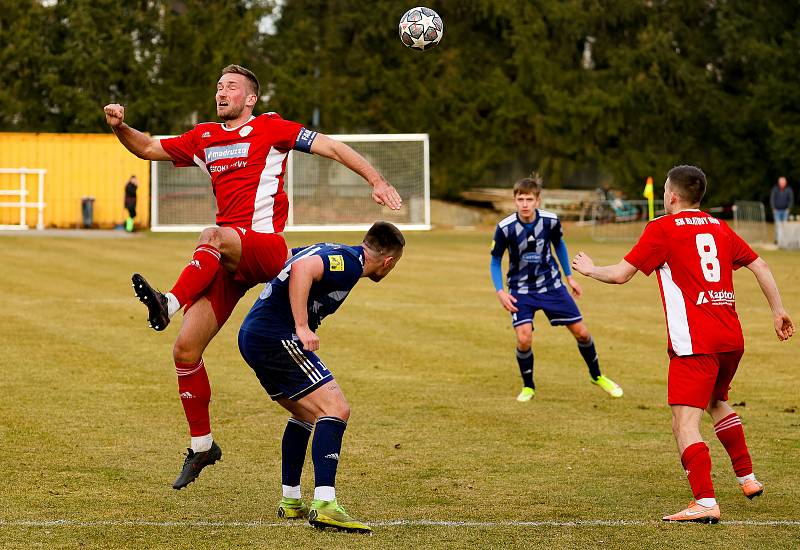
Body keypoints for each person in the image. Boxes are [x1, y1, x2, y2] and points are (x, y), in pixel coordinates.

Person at [103, 64, 403, 490]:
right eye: (219, 86)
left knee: (212, 234)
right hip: (227, 257)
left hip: (264, 247)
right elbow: (149, 147)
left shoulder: (272, 128)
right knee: (185, 351)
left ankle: (169, 302)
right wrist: (120, 127)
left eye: (231, 87)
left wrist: (376, 179)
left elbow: (333, 148)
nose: (221, 92)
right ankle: (202, 444)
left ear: (251, 98)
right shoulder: (204, 137)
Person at [572, 165, 794, 523]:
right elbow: (762, 266)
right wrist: (778, 311)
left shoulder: (662, 228)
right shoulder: (720, 227)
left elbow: (620, 274)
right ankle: (747, 478)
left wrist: (590, 269)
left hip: (696, 342)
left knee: (684, 423)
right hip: (730, 338)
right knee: (715, 401)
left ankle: (705, 502)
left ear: (671, 195)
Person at [238, 221, 405, 533]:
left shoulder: (336, 250)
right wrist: (302, 326)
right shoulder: (350, 265)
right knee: (336, 409)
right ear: (389, 261)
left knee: (307, 413)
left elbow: (287, 258)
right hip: (276, 336)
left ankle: (290, 500)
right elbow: (301, 268)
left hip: (254, 335)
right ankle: (325, 502)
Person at [490, 175, 623, 402]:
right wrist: (501, 292)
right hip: (521, 290)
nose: (524, 204)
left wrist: (569, 277)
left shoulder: (551, 221)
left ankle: (597, 375)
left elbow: (559, 245)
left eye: (529, 199)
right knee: (524, 339)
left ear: (538, 200)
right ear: (514, 200)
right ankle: (528, 387)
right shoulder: (505, 228)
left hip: (552, 285)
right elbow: (495, 260)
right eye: (520, 199)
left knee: (582, 332)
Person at [770, 176, 794, 244]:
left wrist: (789, 208)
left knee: (784, 226)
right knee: (777, 225)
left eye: (783, 182)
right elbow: (772, 198)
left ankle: (783, 241)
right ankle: (778, 240)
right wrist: (773, 208)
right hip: (777, 210)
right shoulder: (775, 189)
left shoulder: (789, 189)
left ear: (785, 182)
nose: (782, 183)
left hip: (785, 211)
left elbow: (791, 199)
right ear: (779, 182)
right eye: (781, 182)